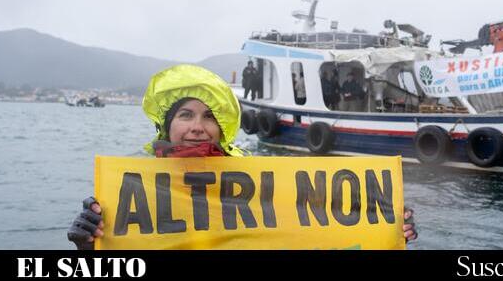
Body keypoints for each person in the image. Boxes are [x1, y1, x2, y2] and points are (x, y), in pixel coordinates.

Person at [67, 64, 417, 249]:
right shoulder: (130, 186)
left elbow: (311, 229)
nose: (198, 127)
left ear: (223, 128)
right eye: (186, 115)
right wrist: (87, 246)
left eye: (209, 117)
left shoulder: (261, 179)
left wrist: (384, 225)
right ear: (167, 125)